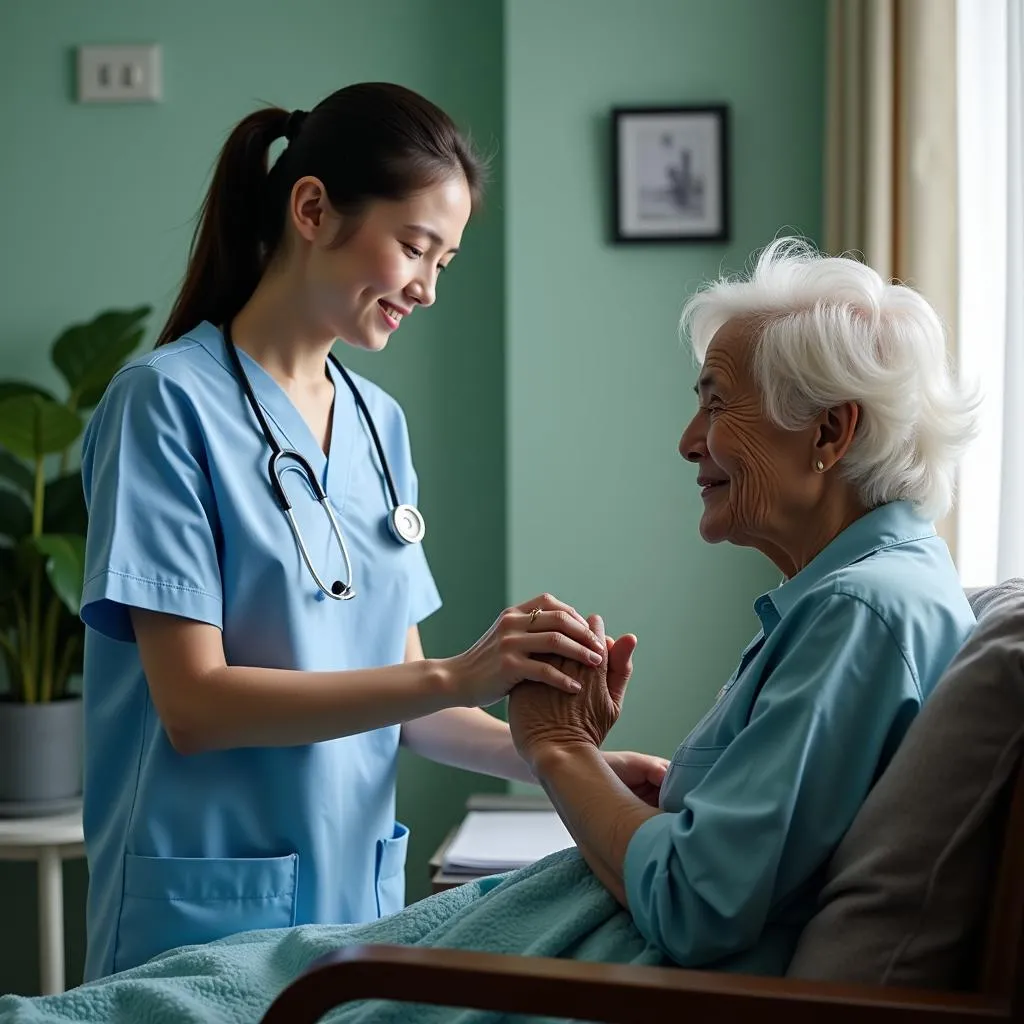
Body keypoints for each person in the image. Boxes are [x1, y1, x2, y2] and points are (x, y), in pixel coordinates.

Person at [77, 81, 667, 982]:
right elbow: (192, 706)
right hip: (202, 910)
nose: (428, 288)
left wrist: (572, 762)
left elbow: (413, 717)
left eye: (447, 261)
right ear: (312, 208)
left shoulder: (376, 424)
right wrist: (461, 671)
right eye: (415, 247)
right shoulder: (164, 405)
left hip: (354, 912)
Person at [507, 237, 981, 973]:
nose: (688, 442)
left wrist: (560, 751)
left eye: (717, 405)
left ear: (830, 429)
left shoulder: (861, 613)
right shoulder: (871, 591)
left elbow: (693, 904)